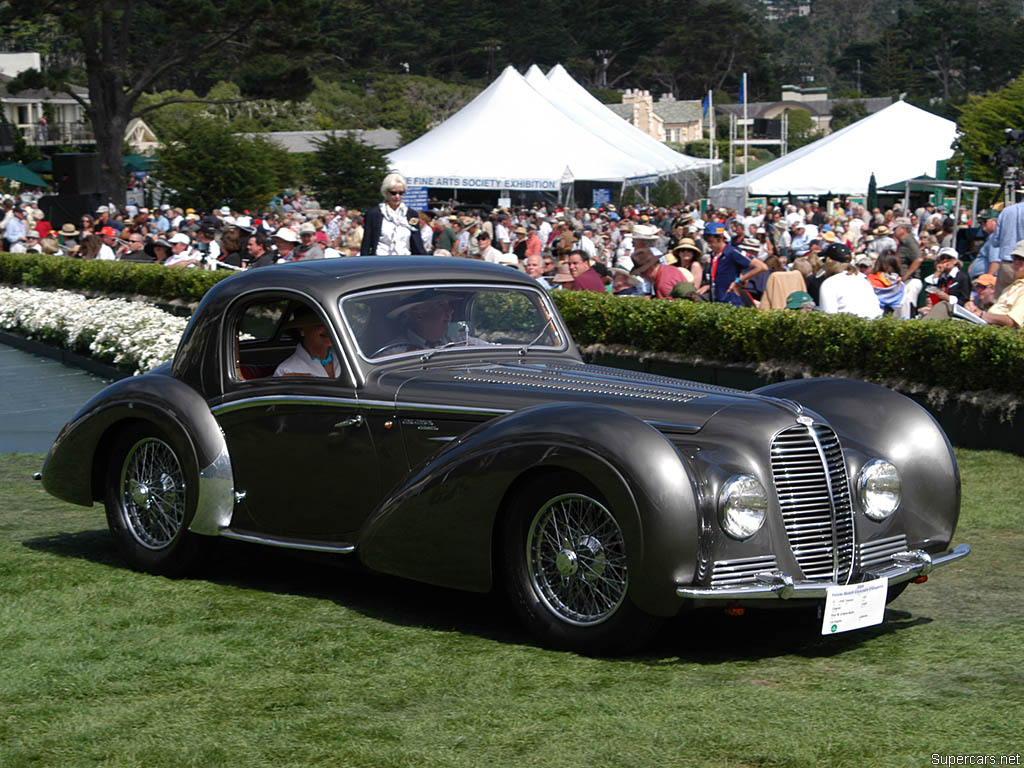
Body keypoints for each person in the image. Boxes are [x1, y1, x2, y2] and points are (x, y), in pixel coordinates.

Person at [360, 172, 427, 256]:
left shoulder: (412, 214)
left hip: (405, 260)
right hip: (381, 260)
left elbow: (417, 241)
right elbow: (366, 242)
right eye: (393, 193)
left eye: (401, 193)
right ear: (386, 192)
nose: (397, 196)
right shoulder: (374, 213)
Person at [704, 221, 767, 305]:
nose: (709, 245)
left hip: (730, 301)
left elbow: (762, 267)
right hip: (716, 300)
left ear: (720, 238)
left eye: (711, 241)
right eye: (707, 241)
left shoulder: (733, 252)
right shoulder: (713, 254)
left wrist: (738, 281)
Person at [817, 242, 883, 319]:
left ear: (829, 261)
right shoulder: (862, 279)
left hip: (850, 328)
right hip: (875, 326)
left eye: (824, 260)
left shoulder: (829, 284)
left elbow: (828, 316)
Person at [274, 308, 343, 378]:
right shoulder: (287, 371)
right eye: (319, 325)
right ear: (301, 329)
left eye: (331, 324)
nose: (328, 329)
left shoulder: (346, 356)